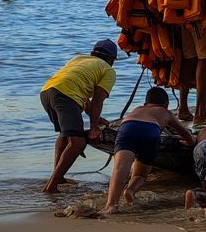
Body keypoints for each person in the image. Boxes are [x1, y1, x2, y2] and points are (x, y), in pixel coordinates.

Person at [101, 87, 196, 215]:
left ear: (146, 103)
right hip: (150, 130)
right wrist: (191, 141)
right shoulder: (166, 112)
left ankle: (111, 205)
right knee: (140, 175)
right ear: (166, 105)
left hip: (128, 127)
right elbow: (185, 134)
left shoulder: (137, 109)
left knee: (120, 168)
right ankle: (130, 191)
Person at [40, 39, 119, 194]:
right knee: (77, 142)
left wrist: (93, 116)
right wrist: (94, 128)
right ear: (111, 60)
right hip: (65, 96)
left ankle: (58, 177)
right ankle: (51, 186)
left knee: (65, 135)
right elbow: (97, 100)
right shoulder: (108, 70)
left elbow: (81, 93)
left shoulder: (79, 59)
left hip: (47, 92)